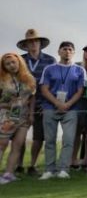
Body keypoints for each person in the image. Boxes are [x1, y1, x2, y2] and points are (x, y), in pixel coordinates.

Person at [39, 41, 87, 179]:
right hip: (50, 107)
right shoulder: (49, 69)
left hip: (71, 109)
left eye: (70, 49)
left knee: (68, 139)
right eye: (64, 49)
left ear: (73, 52)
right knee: (49, 140)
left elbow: (80, 91)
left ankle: (64, 170)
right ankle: (49, 170)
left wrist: (67, 104)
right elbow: (44, 89)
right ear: (59, 52)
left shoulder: (79, 70)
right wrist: (57, 103)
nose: (67, 51)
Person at [17, 29, 55, 176]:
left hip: (42, 105)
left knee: (38, 137)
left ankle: (32, 165)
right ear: (25, 45)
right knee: (19, 137)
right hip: (21, 104)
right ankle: (18, 165)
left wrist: (47, 104)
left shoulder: (50, 60)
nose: (33, 44)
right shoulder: (19, 60)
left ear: (40, 43)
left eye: (35, 41)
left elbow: (54, 83)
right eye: (30, 42)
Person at [0, 54, 36, 184]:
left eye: (13, 62)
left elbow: (32, 98)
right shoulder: (2, 79)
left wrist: (31, 114)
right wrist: (8, 104)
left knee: (18, 145)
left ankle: (8, 174)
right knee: (2, 144)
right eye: (7, 64)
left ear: (19, 62)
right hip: (6, 115)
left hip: (23, 116)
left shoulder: (29, 78)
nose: (11, 65)